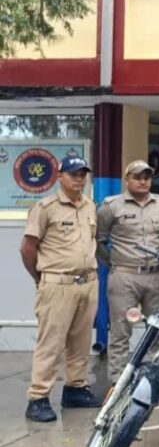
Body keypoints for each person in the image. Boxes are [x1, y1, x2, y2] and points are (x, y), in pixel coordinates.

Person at [21, 155, 102, 422]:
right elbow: (27, 249)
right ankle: (38, 397)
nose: (79, 179)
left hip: (87, 283)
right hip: (58, 284)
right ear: (60, 177)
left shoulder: (90, 206)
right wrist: (41, 278)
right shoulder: (45, 208)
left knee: (81, 341)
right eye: (73, 174)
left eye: (82, 174)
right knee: (51, 343)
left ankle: (75, 388)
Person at [96, 160, 159, 381]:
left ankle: (157, 378)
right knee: (120, 331)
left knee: (157, 330)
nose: (143, 181)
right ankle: (118, 381)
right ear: (127, 180)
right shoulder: (111, 206)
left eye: (146, 177)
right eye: (137, 177)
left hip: (155, 276)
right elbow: (99, 241)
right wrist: (115, 264)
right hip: (124, 276)